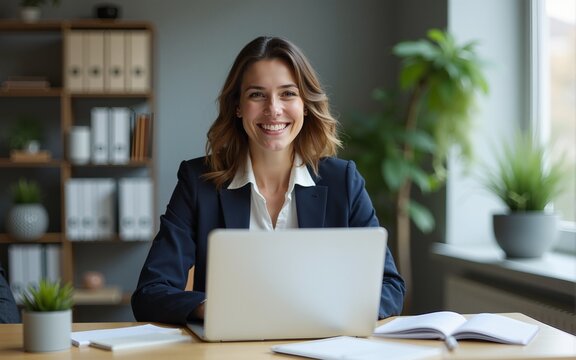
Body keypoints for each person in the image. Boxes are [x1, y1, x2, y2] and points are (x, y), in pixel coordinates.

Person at [131, 36, 405, 324]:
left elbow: (390, 287)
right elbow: (150, 292)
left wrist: (332, 310)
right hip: (230, 348)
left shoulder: (343, 181)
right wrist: (212, 308)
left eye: (287, 94)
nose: (273, 109)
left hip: (321, 345)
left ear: (306, 105)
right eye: (257, 95)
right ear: (237, 106)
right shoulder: (198, 182)